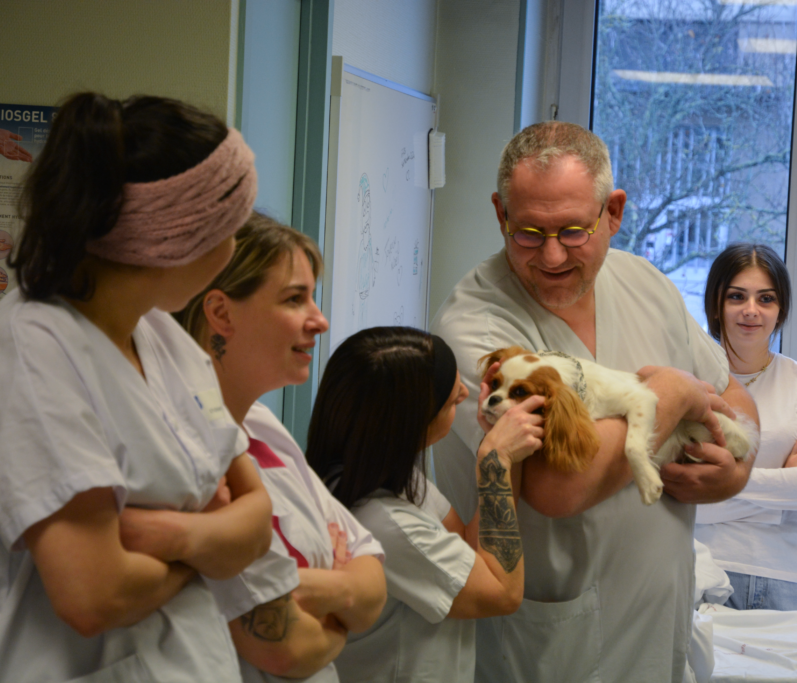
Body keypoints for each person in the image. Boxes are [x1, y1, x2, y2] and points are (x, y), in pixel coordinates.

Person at [0, 92, 276, 682]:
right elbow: (93, 594)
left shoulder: (165, 342)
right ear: (178, 239)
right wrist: (205, 553)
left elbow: (256, 520)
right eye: (231, 229)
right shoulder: (30, 354)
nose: (233, 249)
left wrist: (164, 533)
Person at [430, 121, 759, 683]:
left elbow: (732, 394)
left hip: (657, 625)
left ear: (613, 213)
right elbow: (561, 484)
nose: (553, 256)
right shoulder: (479, 330)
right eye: (529, 233)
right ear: (499, 214)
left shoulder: (644, 282)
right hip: (551, 644)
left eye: (574, 231)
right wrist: (669, 395)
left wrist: (737, 471)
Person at [177, 212, 388, 682]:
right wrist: (341, 590)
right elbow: (287, 650)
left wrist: (323, 590)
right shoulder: (188, 451)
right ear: (221, 313)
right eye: (295, 299)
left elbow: (373, 576)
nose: (320, 320)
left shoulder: (262, 426)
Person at [306, 327, 545, 683]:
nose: (467, 393)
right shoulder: (382, 522)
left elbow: (469, 544)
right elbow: (502, 592)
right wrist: (494, 462)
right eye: (452, 399)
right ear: (409, 423)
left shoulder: (377, 474)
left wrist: (502, 447)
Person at [695, 243, 797, 611]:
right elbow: (686, 501)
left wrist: (728, 481)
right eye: (736, 297)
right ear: (717, 304)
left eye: (765, 299)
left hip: (793, 576)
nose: (751, 311)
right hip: (707, 571)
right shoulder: (689, 382)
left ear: (780, 310)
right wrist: (784, 490)